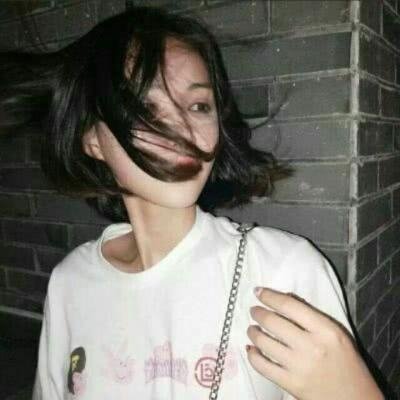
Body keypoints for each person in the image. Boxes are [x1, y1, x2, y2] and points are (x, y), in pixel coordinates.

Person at [0, 6, 384, 400]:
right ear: (93, 140)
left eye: (199, 106)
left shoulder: (283, 271)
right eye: (145, 109)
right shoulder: (71, 283)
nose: (183, 129)